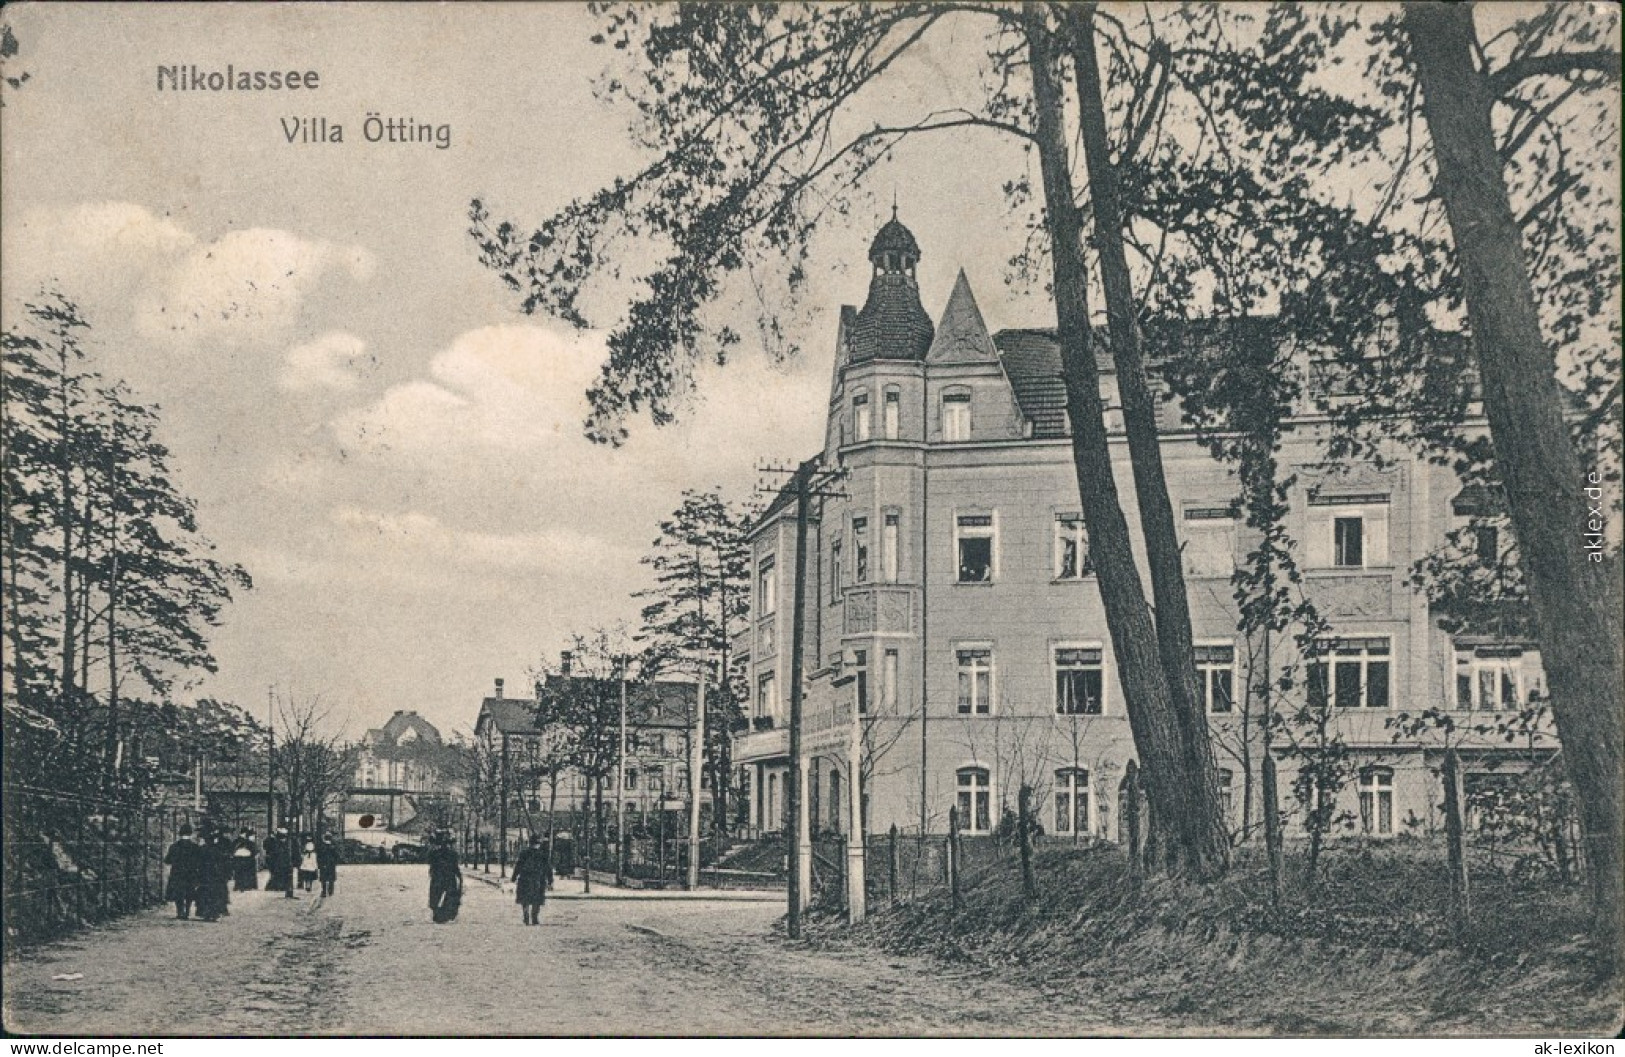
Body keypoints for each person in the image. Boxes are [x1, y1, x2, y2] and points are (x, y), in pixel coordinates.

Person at [511, 833, 553, 926]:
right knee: (537, 899)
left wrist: (514, 877)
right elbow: (548, 868)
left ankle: (526, 915)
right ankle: (534, 917)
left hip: (525, 878)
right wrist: (550, 881)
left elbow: (518, 865)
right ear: (539, 843)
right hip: (539, 879)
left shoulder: (524, 853)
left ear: (530, 843)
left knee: (524, 898)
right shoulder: (543, 854)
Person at [163, 824, 201, 920]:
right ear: (191, 834)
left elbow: (167, 860)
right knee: (189, 891)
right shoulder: (195, 847)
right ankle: (187, 911)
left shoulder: (174, 846)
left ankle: (180, 912)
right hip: (190, 873)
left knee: (178, 892)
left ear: (180, 833)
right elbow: (199, 861)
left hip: (177, 873)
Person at [427, 830, 462, 924]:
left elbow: (431, 865)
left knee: (437, 894)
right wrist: (459, 876)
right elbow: (455, 867)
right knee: (447, 894)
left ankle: (441, 914)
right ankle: (445, 914)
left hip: (441, 876)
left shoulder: (435, 853)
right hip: (447, 876)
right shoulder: (452, 854)